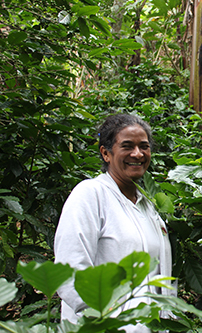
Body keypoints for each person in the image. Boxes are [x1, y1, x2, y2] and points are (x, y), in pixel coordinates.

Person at [55, 113, 175, 332]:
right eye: (127, 146)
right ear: (106, 153)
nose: (137, 154)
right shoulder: (90, 195)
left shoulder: (147, 205)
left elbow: (161, 275)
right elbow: (69, 269)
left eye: (144, 146)